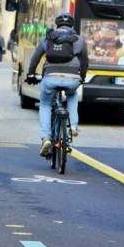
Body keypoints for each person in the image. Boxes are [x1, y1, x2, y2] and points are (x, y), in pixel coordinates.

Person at [25, 13, 89, 157]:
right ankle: (73, 125)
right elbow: (84, 61)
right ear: (72, 25)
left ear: (57, 24)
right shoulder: (79, 40)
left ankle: (46, 138)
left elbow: (35, 58)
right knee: (72, 95)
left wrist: (30, 74)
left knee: (46, 105)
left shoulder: (48, 38)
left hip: (50, 77)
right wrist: (82, 77)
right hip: (72, 78)